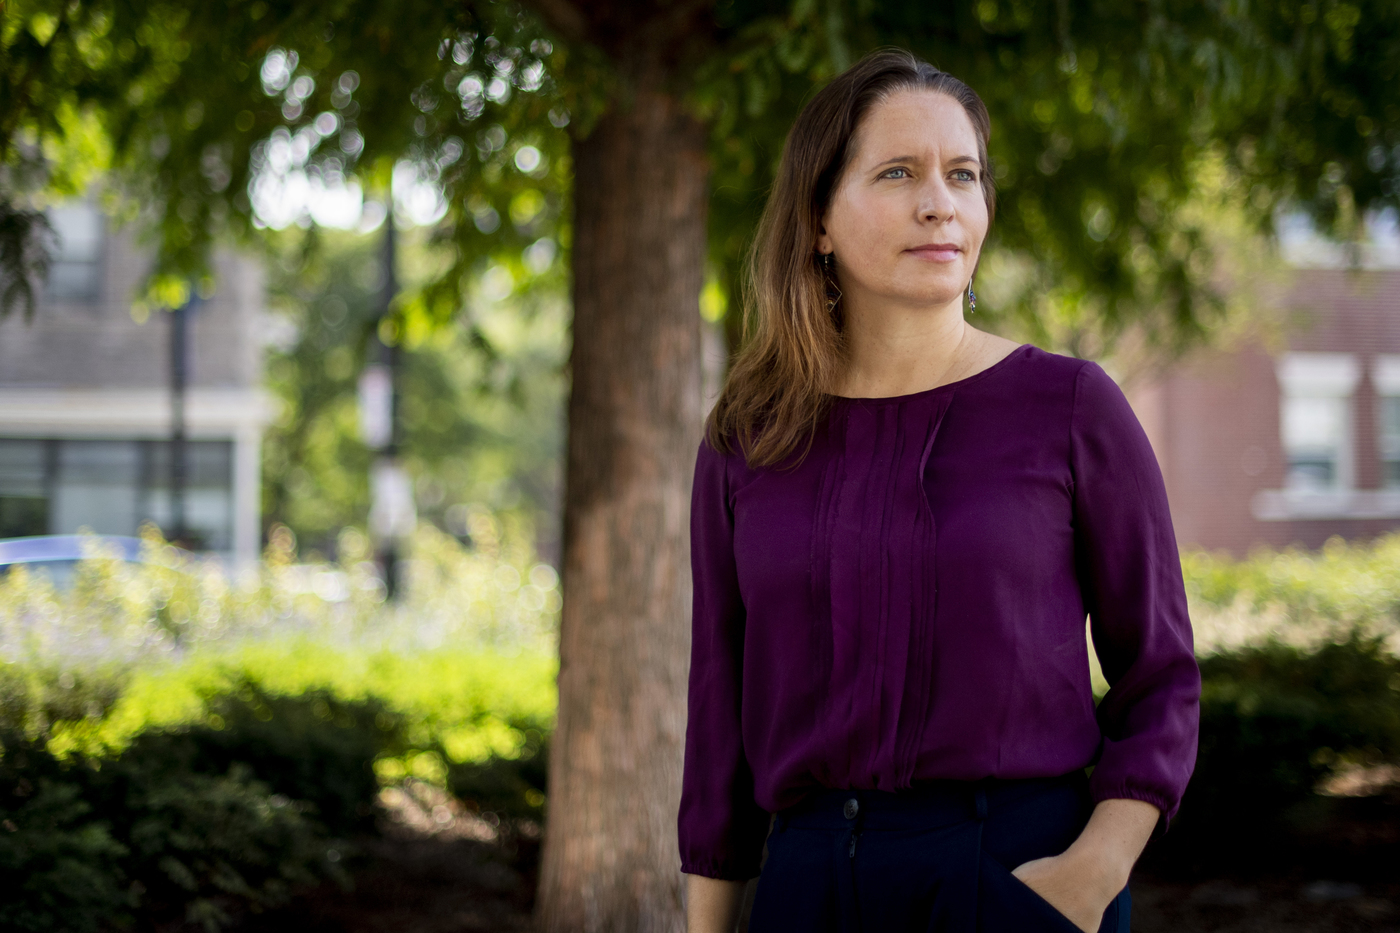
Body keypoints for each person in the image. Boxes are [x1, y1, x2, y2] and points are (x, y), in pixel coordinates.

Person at [678, 48, 1200, 933]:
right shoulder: (749, 436)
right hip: (805, 886)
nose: (940, 202)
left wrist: (1091, 874)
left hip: (1020, 877)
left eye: (963, 174)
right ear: (818, 221)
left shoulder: (1071, 406)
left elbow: (1160, 676)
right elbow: (720, 708)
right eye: (898, 172)